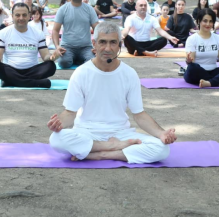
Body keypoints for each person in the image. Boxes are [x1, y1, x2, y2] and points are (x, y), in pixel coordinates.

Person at [47, 22, 176, 163]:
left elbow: (139, 115)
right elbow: (70, 113)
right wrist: (58, 124)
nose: (107, 48)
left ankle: (100, 154)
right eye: (102, 42)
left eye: (113, 42)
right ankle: (112, 147)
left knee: (162, 149)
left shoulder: (129, 74)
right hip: (87, 132)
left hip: (120, 133)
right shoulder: (81, 73)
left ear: (120, 44)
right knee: (56, 139)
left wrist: (161, 133)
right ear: (94, 44)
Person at [0, 3, 61, 88]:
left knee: (50, 66)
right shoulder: (3, 33)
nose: (21, 18)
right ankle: (36, 83)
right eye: (17, 15)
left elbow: (45, 55)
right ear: (12, 16)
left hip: (33, 70)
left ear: (29, 16)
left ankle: (10, 81)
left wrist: (51, 57)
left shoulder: (38, 33)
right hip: (11, 69)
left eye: (24, 15)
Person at [184, 8, 219, 88]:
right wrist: (188, 60)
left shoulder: (217, 38)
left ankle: (209, 83)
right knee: (192, 68)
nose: (208, 24)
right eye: (205, 21)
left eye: (211, 21)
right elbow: (192, 61)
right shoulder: (192, 39)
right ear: (199, 21)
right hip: (197, 71)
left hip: (213, 71)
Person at [52, 0, 99, 69]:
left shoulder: (90, 9)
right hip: (67, 47)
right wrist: (57, 47)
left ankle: (78, 59)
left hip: (86, 47)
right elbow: (55, 30)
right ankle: (77, 59)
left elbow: (97, 28)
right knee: (63, 62)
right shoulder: (63, 9)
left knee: (94, 62)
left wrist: (98, 46)